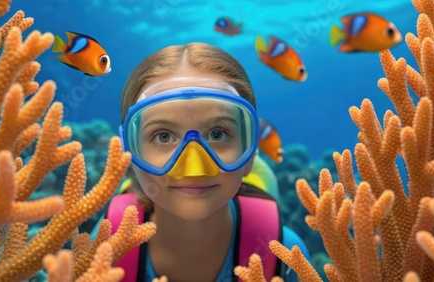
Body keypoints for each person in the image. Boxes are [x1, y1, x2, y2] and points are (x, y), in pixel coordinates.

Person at [93, 42, 310, 281]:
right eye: (163, 136)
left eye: (218, 134)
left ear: (250, 149)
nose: (194, 168)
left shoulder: (286, 254)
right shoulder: (104, 246)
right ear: (130, 153)